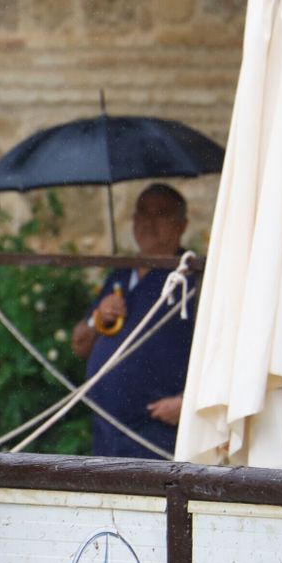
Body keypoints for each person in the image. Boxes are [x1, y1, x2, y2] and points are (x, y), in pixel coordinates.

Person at [70, 184, 198, 459]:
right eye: (142, 213)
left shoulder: (191, 279)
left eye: (160, 214)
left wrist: (188, 403)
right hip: (108, 428)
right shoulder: (122, 274)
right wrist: (98, 318)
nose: (148, 223)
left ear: (181, 225)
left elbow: (221, 352)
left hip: (158, 429)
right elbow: (79, 345)